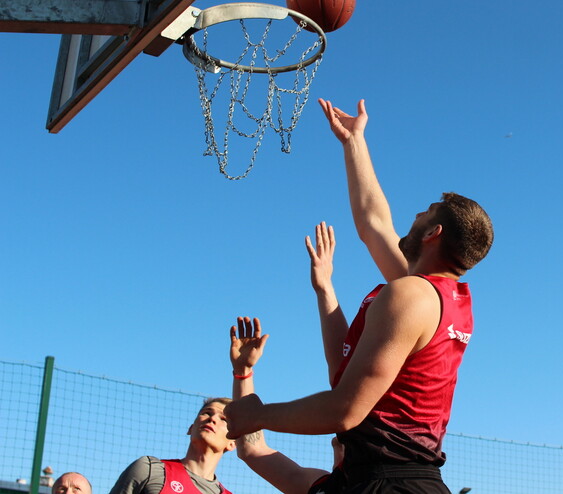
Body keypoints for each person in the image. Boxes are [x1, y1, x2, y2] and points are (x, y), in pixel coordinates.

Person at [224, 99, 494, 493]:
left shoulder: (412, 295)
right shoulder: (438, 297)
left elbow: (345, 410)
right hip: (378, 477)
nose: (414, 217)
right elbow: (373, 222)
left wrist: (259, 416)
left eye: (425, 212)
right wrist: (354, 142)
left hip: (392, 482)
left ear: (434, 234)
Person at [229, 315, 344, 494]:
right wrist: (243, 372)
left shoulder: (394, 481)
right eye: (338, 441)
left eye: (342, 441)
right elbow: (252, 449)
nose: (338, 441)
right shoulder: (319, 486)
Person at [108, 399, 236, 494]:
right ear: (191, 428)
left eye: (223, 419)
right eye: (207, 413)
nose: (212, 418)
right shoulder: (150, 469)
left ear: (232, 444)